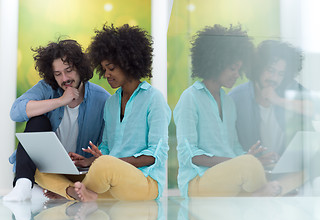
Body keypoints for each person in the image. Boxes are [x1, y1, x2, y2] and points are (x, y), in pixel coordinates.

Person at [34, 23, 171, 202]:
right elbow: (106, 147)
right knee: (41, 168)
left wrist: (109, 162)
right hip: (108, 180)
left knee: (105, 164)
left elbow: (155, 155)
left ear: (128, 63)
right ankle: (76, 192)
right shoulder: (111, 103)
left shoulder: (154, 99)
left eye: (111, 68)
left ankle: (69, 192)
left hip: (144, 182)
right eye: (104, 69)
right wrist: (88, 161)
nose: (106, 74)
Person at [173, 24, 282, 197]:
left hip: (229, 177)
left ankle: (255, 196)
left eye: (239, 69)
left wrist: (250, 157)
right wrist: (240, 162)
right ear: (216, 64)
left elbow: (234, 147)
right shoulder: (190, 98)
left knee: (255, 167)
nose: (237, 74)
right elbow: (190, 156)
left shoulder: (229, 102)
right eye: (233, 68)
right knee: (252, 171)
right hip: (198, 181)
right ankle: (256, 196)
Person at [4, 39, 110, 202]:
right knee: (37, 121)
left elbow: (108, 145)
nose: (65, 78)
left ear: (80, 69)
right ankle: (23, 185)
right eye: (58, 74)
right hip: (43, 169)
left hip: (78, 173)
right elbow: (16, 111)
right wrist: (61, 101)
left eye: (69, 71)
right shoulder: (47, 88)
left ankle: (66, 189)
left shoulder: (102, 99)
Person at [229, 40, 312, 157]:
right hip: (253, 169)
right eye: (270, 70)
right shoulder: (237, 98)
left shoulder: (288, 89)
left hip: (288, 168)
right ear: (259, 68)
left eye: (281, 73)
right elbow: (228, 146)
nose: (275, 78)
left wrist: (278, 100)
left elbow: (314, 107)